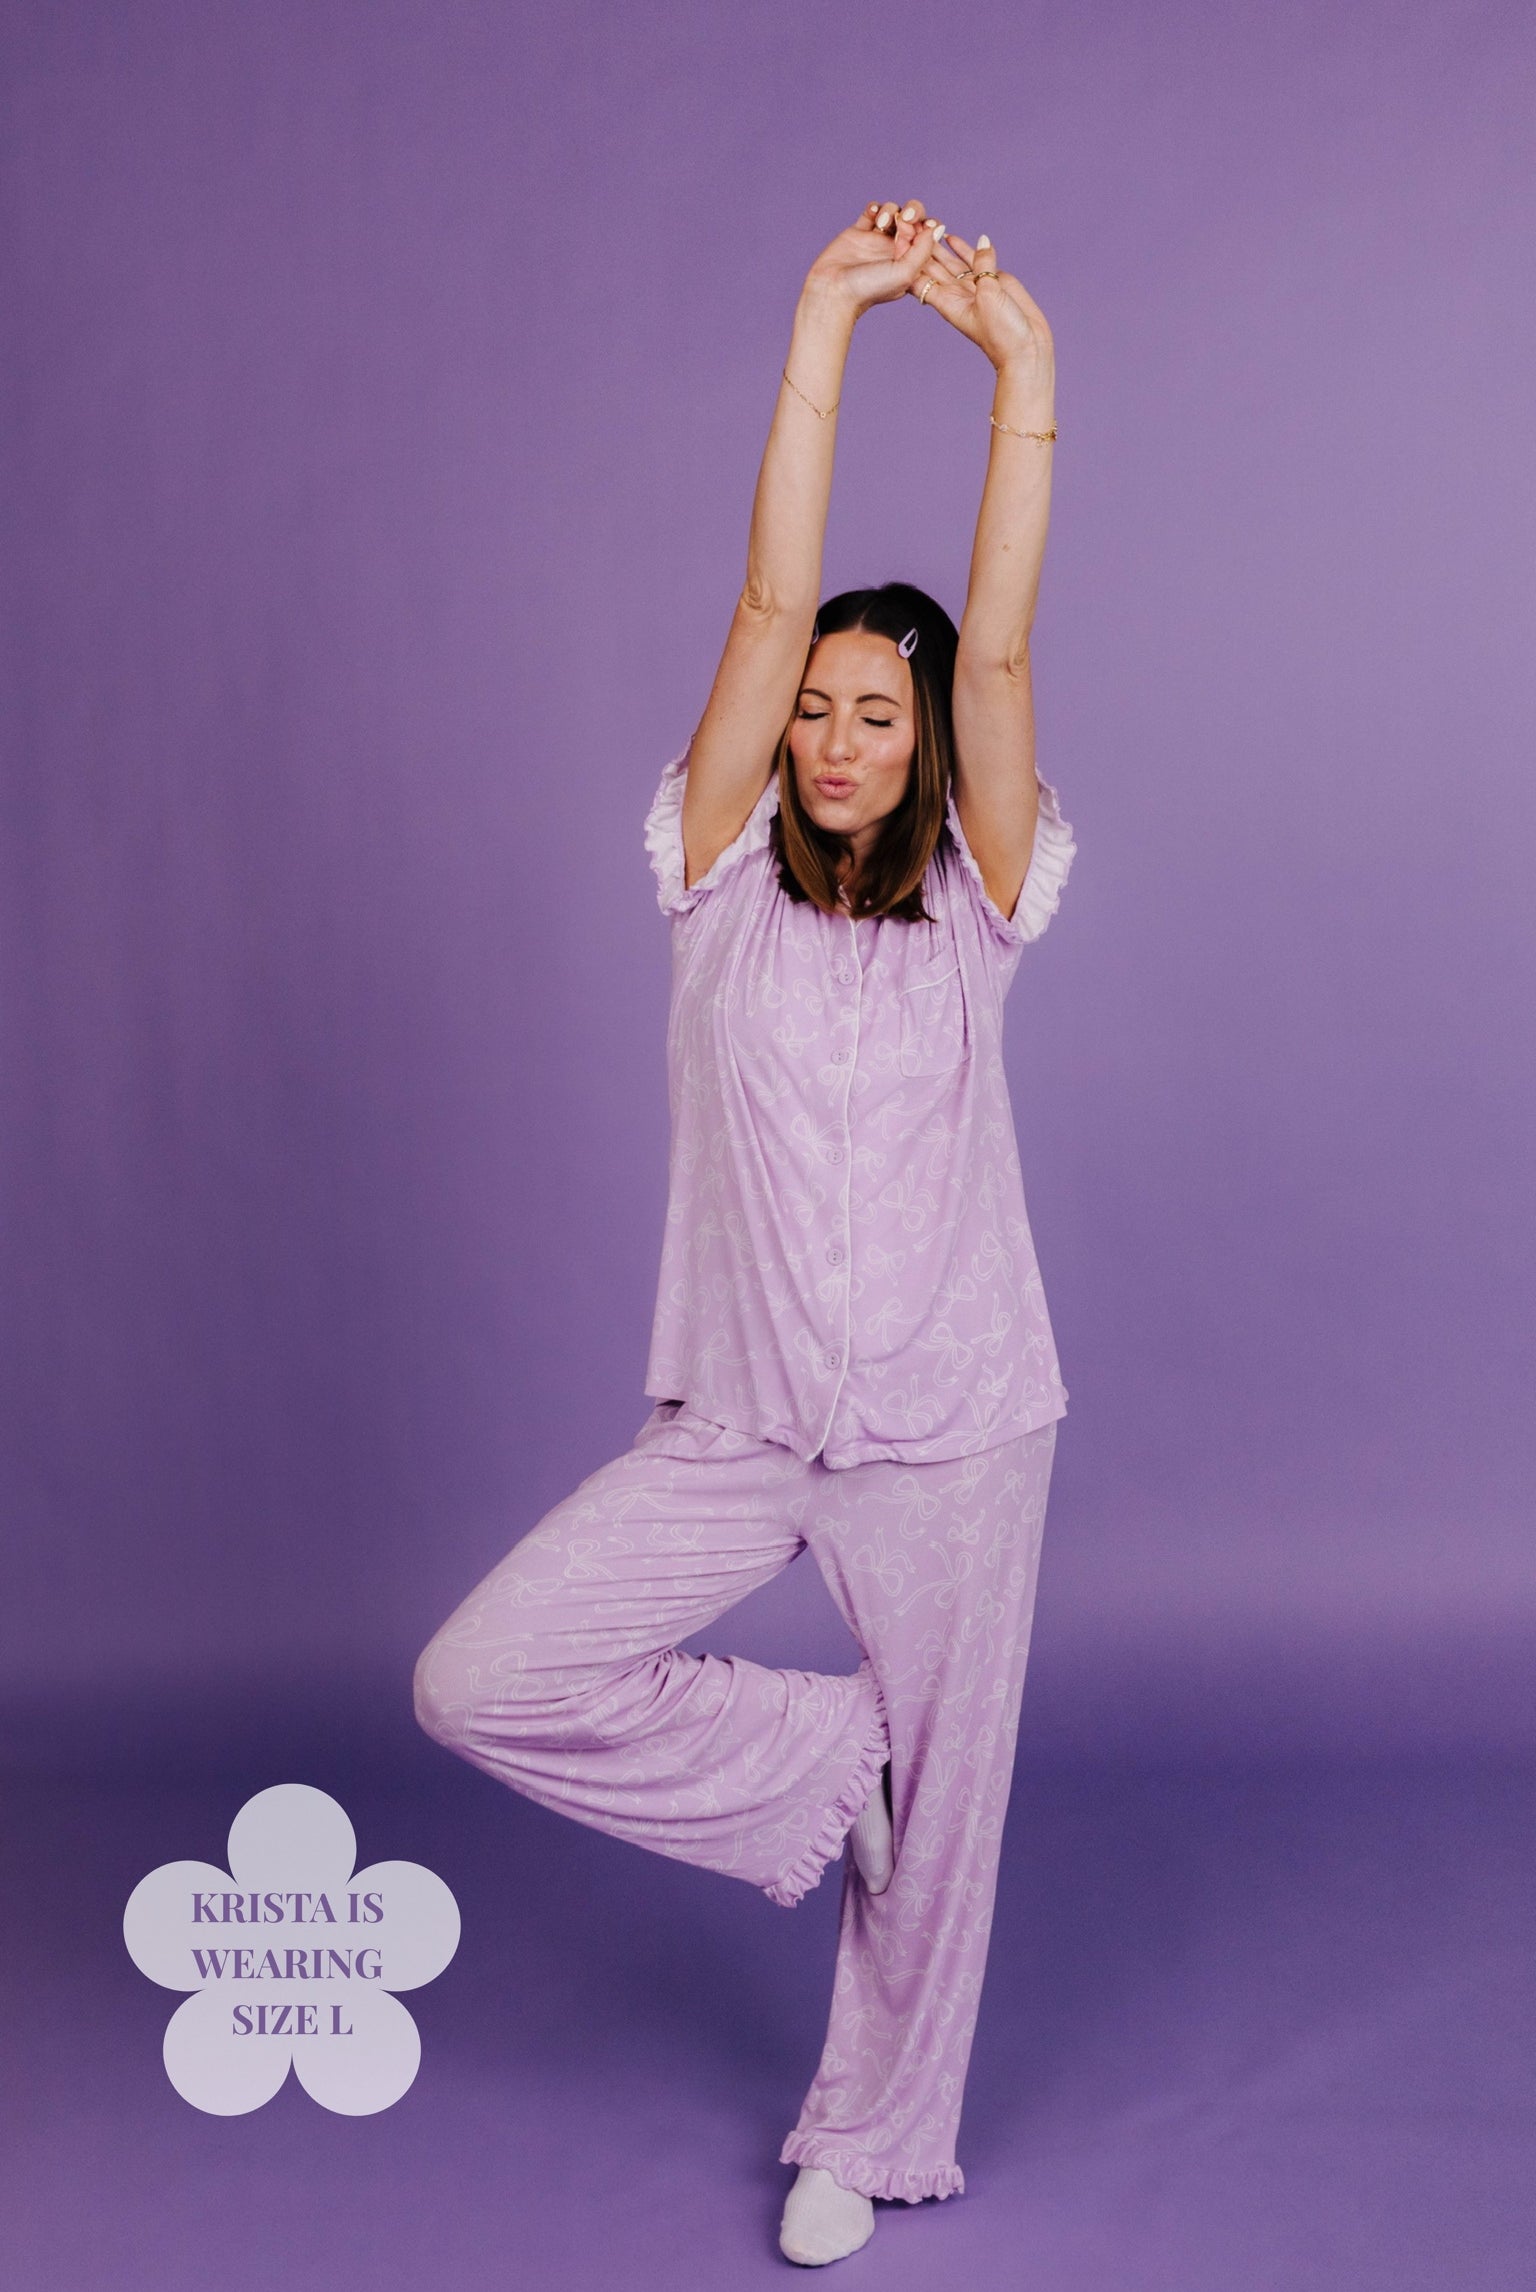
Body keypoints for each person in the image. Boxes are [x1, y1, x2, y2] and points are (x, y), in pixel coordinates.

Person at [414, 195, 1076, 2269]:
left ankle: (865, 2142)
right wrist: (823, 316)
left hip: (962, 1417)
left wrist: (1017, 376)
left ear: (926, 731)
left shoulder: (983, 897)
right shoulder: (711, 877)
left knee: (946, 1837)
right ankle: (815, 1757)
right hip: (744, 1414)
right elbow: (770, 586)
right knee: (483, 1674)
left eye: (884, 710)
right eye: (822, 708)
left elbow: (1014, 641)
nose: (845, 736)